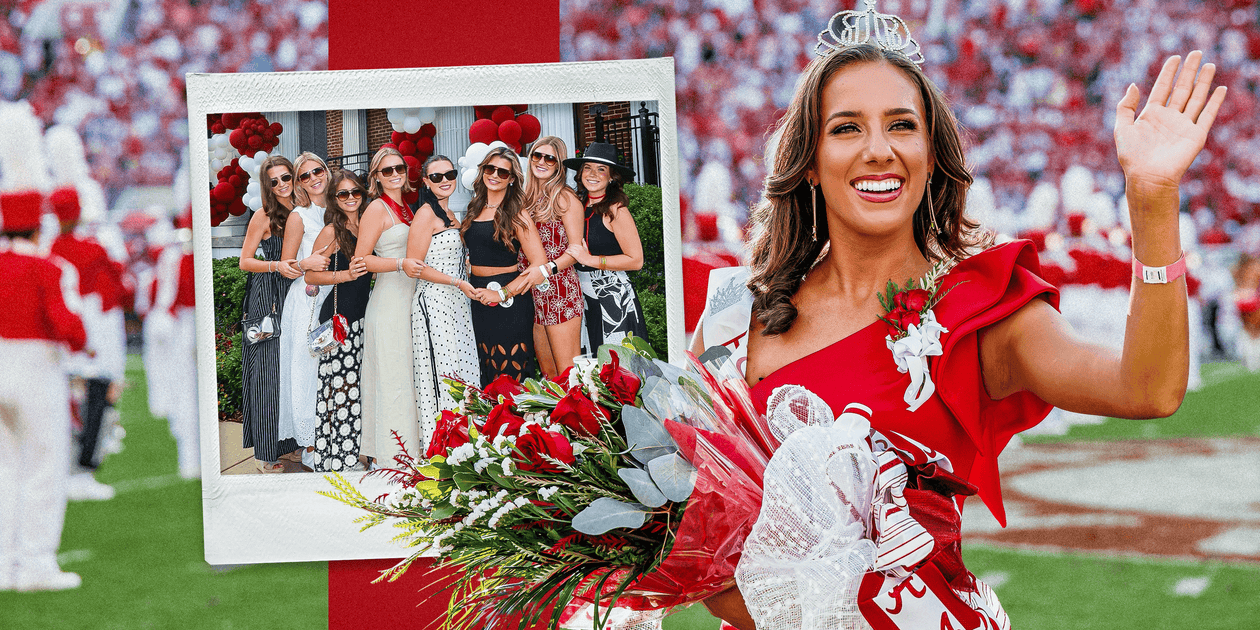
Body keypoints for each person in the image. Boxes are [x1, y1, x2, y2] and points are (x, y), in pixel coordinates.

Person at [690, 20, 1225, 629]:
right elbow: (696, 537)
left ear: (931, 153)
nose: (878, 149)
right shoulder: (739, 313)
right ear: (809, 163)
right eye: (846, 128)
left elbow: (1148, 388)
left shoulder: (981, 305)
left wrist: (1152, 198)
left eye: (901, 125)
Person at [0, 105, 88, 591]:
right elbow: (68, 328)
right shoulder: (48, 267)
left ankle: (3, 563)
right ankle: (34, 565)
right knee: (43, 467)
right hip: (36, 368)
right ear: (37, 223)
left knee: (4, 469)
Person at [350, 147, 422, 467]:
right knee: (393, 379)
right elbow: (361, 259)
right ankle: (394, 457)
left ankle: (410, 448)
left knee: (407, 377)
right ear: (376, 178)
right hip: (389, 302)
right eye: (387, 171)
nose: (395, 175)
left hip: (411, 301)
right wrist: (398, 262)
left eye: (400, 169)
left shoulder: (407, 208)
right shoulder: (377, 209)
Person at [459, 147, 549, 387]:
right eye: (490, 168)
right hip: (477, 297)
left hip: (509, 300)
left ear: (511, 179)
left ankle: (519, 421)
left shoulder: (516, 214)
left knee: (512, 367)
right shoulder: (473, 209)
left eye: (503, 172)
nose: (495, 175)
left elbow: (539, 264)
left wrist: (501, 294)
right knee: (485, 364)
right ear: (482, 171)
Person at [406, 155, 480, 444]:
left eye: (449, 174)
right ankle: (444, 445)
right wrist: (456, 281)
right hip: (435, 302)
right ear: (426, 182)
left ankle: (468, 439)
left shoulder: (452, 214)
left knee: (462, 367)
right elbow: (414, 265)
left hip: (458, 302)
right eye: (436, 177)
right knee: (444, 372)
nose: (445, 180)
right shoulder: (426, 214)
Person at [304, 169, 373, 472]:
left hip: (361, 317)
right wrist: (345, 274)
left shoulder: (366, 225)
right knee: (341, 389)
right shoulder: (333, 230)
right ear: (334, 198)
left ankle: (349, 454)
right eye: (343, 194)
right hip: (339, 320)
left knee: (355, 387)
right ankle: (338, 458)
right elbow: (310, 274)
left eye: (355, 192)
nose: (350, 198)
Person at [238, 155, 302, 473]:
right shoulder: (264, 216)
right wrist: (276, 265)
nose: (281, 185)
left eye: (285, 177)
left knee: (290, 370)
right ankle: (265, 454)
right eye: (273, 181)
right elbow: (245, 261)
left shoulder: (303, 210)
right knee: (267, 373)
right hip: (268, 299)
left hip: (297, 295)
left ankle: (288, 444)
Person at [564, 142, 649, 353]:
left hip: (613, 301)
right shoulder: (577, 204)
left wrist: (592, 260)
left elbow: (636, 260)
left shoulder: (616, 209)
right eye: (588, 168)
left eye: (601, 169)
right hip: (583, 299)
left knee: (617, 371)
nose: (592, 174)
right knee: (590, 368)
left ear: (611, 176)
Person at [278, 152, 333, 470]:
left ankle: (335, 438)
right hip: (307, 301)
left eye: (318, 171)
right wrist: (305, 263)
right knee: (307, 373)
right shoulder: (300, 216)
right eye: (304, 175)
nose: (313, 178)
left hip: (337, 296)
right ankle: (311, 448)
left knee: (333, 374)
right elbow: (286, 267)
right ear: (299, 183)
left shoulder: (342, 206)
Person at [520, 136, 585, 377]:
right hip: (535, 295)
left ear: (559, 166)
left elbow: (576, 251)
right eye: (537, 155)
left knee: (568, 373)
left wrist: (547, 270)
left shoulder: (565, 198)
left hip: (560, 291)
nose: (542, 162)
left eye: (551, 158)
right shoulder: (526, 199)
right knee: (549, 376)